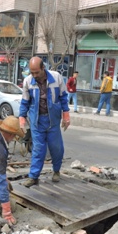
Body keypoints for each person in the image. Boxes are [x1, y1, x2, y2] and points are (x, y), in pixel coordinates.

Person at [19, 56, 70, 188]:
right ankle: (33, 177)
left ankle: (56, 171)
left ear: (43, 68)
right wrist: (22, 118)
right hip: (37, 120)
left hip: (53, 119)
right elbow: (25, 102)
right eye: (32, 72)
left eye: (37, 72)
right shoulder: (28, 81)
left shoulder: (56, 77)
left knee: (56, 147)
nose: (34, 75)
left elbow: (63, 97)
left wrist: (66, 115)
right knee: (38, 149)